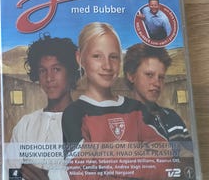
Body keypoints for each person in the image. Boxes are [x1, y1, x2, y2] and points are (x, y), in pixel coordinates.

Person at [62, 22, 172, 180]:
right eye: (97, 56)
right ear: (80, 58)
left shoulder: (137, 108)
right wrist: (137, 157)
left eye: (113, 57)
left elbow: (166, 162)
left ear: (120, 59)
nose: (107, 66)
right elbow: (82, 174)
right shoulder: (73, 114)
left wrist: (104, 156)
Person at [10, 35, 79, 180]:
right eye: (42, 71)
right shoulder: (25, 124)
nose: (49, 78)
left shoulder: (87, 123)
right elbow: (12, 173)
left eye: (56, 69)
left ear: (71, 73)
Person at [123, 43, 192, 146]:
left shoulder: (172, 117)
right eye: (149, 75)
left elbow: (189, 154)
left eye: (161, 77)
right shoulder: (118, 121)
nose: (157, 83)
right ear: (131, 76)